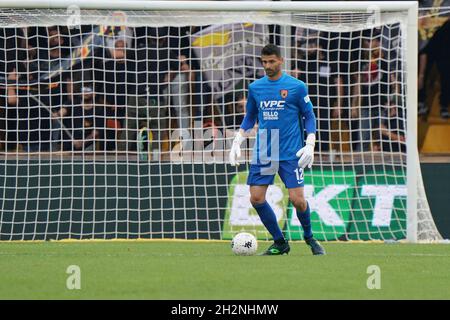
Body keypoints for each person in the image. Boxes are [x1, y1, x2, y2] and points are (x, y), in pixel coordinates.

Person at [228, 44, 325, 256]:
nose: (268, 66)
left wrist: (310, 142)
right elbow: (250, 117)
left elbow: (309, 116)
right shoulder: (255, 88)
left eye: (272, 61)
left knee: (299, 200)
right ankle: (280, 242)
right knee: (256, 198)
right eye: (264, 62)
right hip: (265, 149)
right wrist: (237, 139)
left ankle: (309, 237)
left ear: (280, 60)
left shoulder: (296, 87)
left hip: (291, 150)